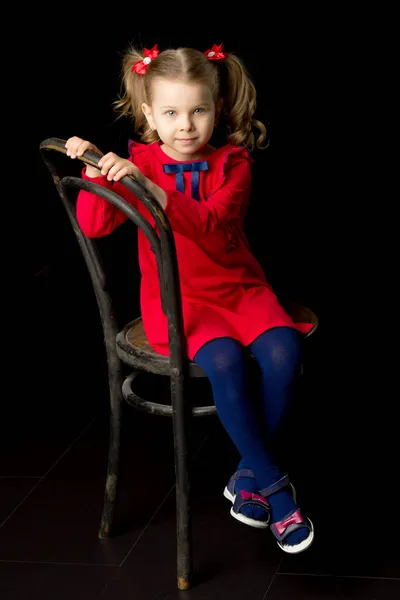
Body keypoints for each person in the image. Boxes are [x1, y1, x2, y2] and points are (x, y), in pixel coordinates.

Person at [65, 42, 314, 554]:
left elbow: (212, 226)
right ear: (149, 114)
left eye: (198, 110)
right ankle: (273, 487)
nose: (186, 125)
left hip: (239, 288)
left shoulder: (233, 163)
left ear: (216, 110)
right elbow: (94, 224)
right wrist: (94, 170)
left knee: (284, 352)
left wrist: (153, 191)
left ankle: (247, 476)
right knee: (223, 361)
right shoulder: (138, 163)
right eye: (172, 113)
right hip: (180, 302)